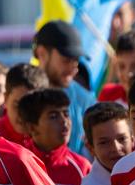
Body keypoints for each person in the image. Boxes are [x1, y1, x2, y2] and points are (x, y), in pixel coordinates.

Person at [32, 20, 97, 156]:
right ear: (42, 53)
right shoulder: (19, 95)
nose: (74, 67)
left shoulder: (86, 101)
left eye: (77, 60)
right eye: (66, 59)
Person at [0, 63, 47, 145]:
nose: (22, 113)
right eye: (16, 105)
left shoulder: (51, 137)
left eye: (31, 106)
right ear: (6, 99)